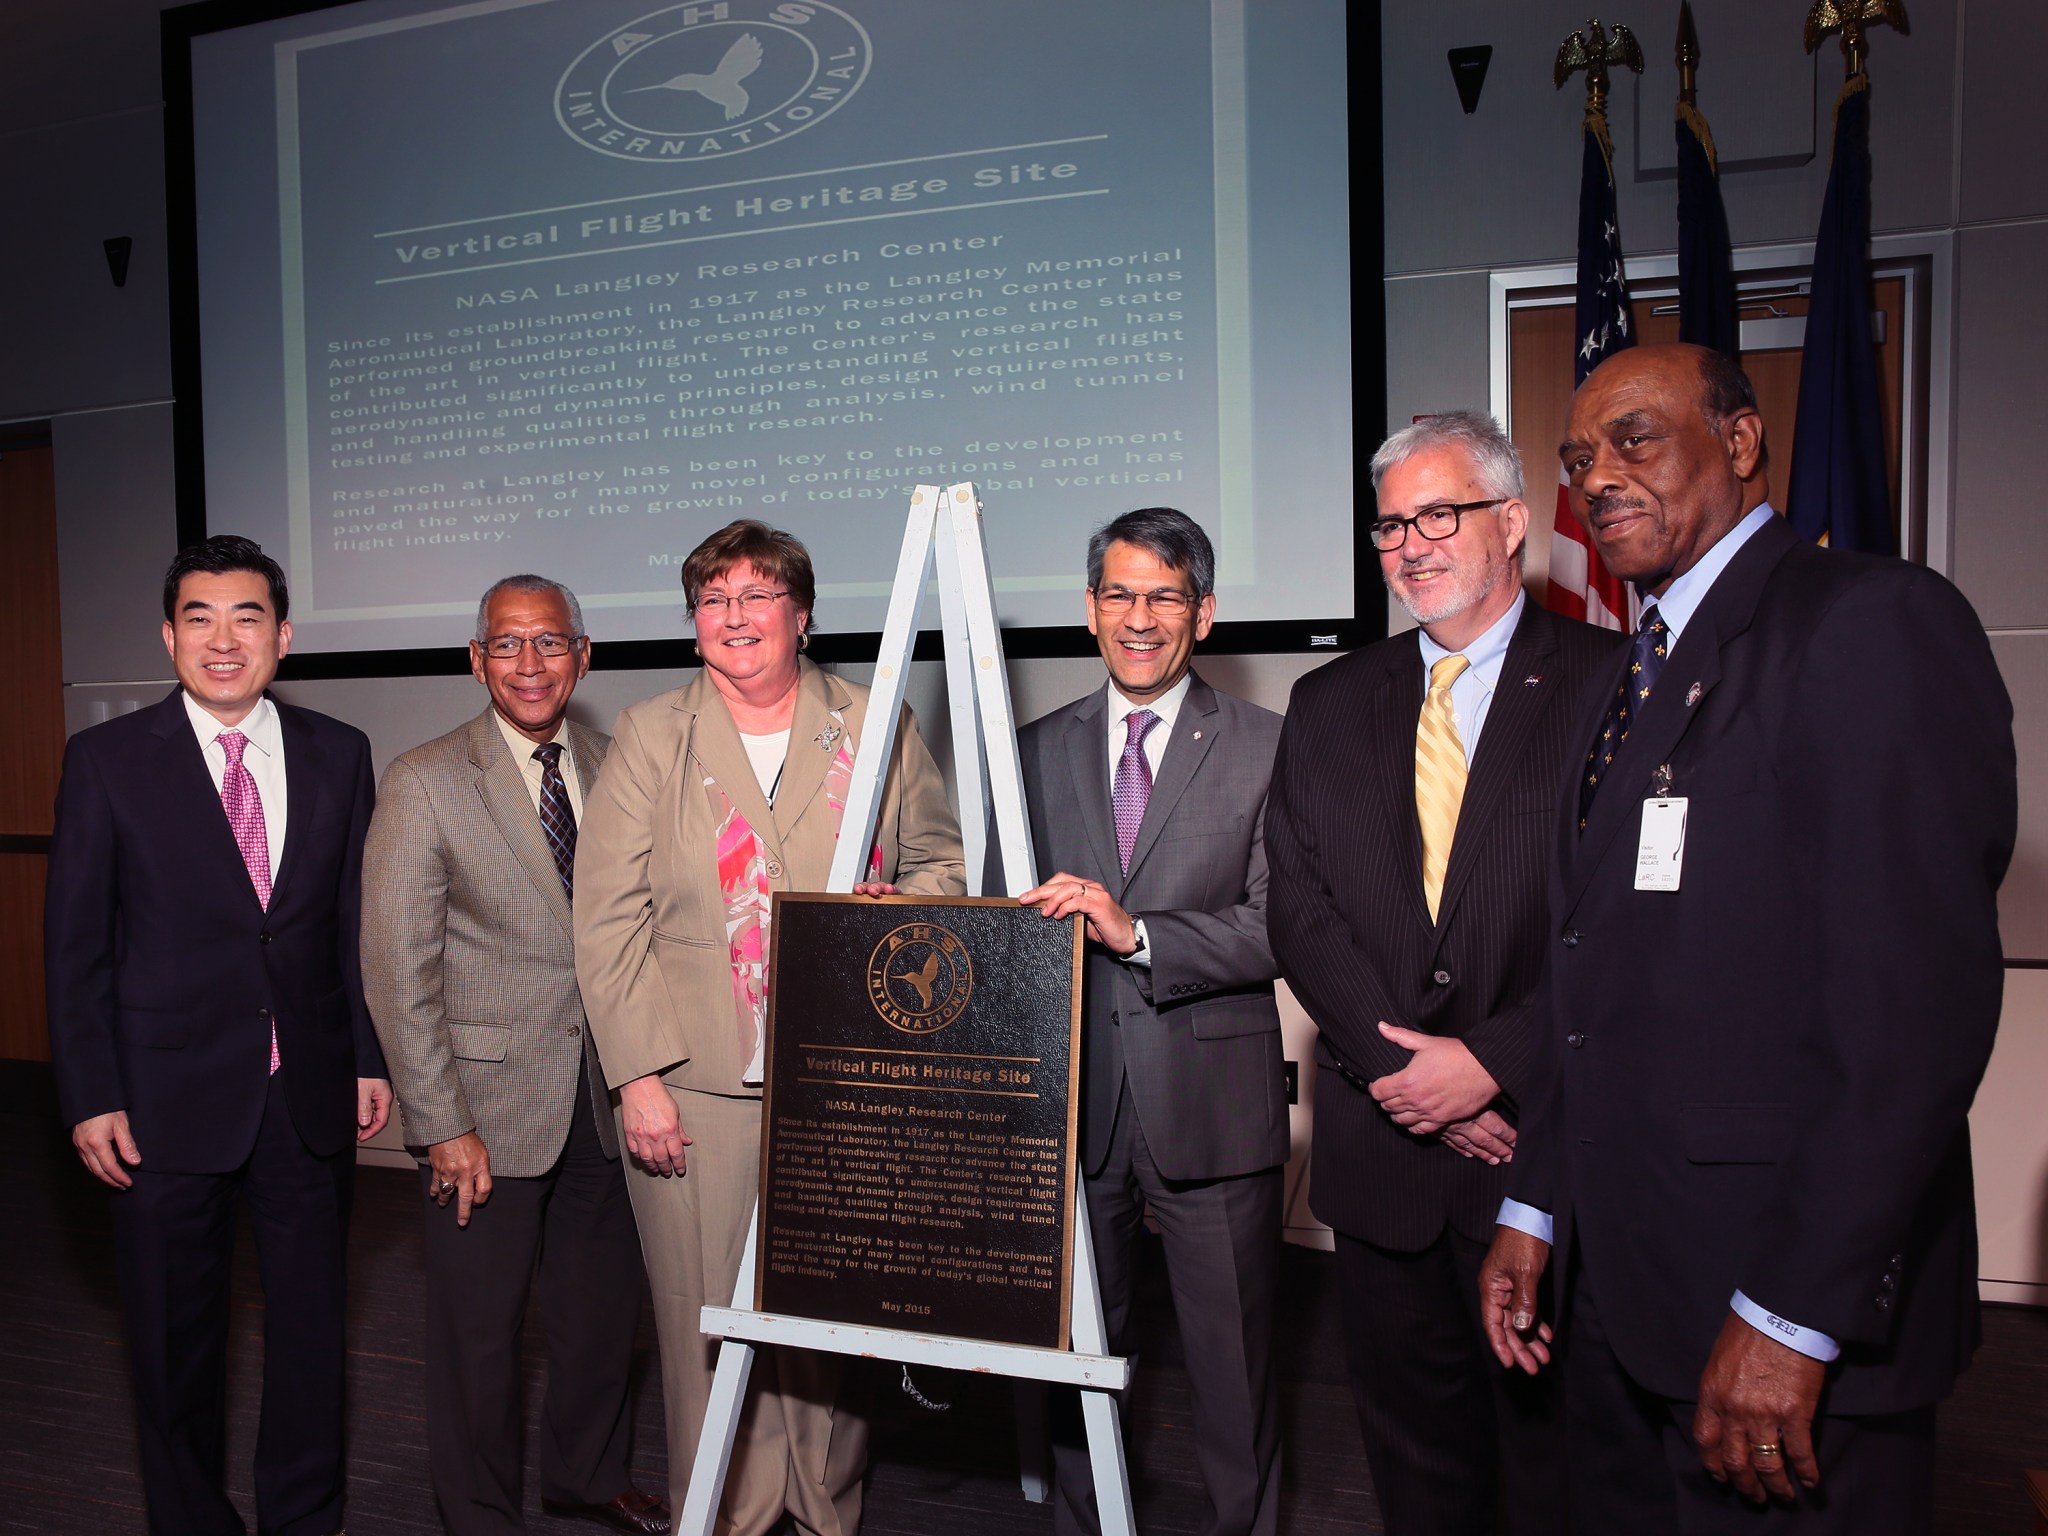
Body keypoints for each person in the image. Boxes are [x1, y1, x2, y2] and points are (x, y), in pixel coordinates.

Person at [1479, 343, 2017, 1532]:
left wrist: (1788, 1315)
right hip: (1618, 1307)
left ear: (1736, 441)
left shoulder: (1870, 623)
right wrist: (1533, 1210)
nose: (1597, 477)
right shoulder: (1626, 677)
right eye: (1577, 458)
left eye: (1633, 439)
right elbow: (1591, 983)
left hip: (1777, 1326)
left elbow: (1909, 1017)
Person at [573, 519, 965, 1536]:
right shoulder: (654, 733)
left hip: (846, 1077)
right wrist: (639, 1079)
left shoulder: (873, 718)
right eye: (713, 600)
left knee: (832, 1317)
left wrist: (900, 917)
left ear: (800, 614)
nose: (734, 617)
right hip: (694, 1085)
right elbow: (606, 919)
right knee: (703, 1322)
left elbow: (939, 864)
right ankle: (728, 1514)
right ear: (694, 623)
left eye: (756, 596)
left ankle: (825, 1504)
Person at [1263, 413, 1617, 1534]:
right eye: (1389, 525)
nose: (1410, 544)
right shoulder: (1327, 701)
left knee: (1550, 1456)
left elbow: (1625, 930)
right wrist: (1398, 1073)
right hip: (1382, 1156)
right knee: (1412, 1460)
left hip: (1541, 1151)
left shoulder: (1610, 685)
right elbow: (1298, 906)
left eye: (1438, 514)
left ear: (1511, 522)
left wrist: (1487, 1065)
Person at [45, 535, 391, 1536]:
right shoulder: (106, 761)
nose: (224, 639)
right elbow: (75, 944)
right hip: (157, 1102)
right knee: (170, 1345)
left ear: (283, 635)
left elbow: (347, 924)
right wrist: (90, 1093)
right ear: (168, 636)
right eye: (199, 617)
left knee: (311, 1339)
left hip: (307, 1095)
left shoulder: (340, 751)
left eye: (247, 616)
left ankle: (301, 1520)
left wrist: (366, 1057)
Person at [361, 576, 668, 1536]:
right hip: (484, 1112)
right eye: (506, 644)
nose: (528, 664)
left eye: (549, 644)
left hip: (607, 1099)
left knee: (601, 1323)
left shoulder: (623, 764)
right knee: (478, 1339)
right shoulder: (424, 779)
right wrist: (440, 1122)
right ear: (476, 658)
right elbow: (395, 969)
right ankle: (478, 1513)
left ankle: (586, 1474)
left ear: (584, 657)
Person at [1018, 506, 1288, 1536]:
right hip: (1071, 1115)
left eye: (1163, 597)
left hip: (1213, 1114)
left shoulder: (1269, 744)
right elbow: (1003, 922)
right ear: (1089, 609)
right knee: (1077, 1366)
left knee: (1235, 1377)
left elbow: (1281, 929)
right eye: (1120, 595)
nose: (1140, 618)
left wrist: (1137, 936)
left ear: (1202, 613)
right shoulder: (1031, 751)